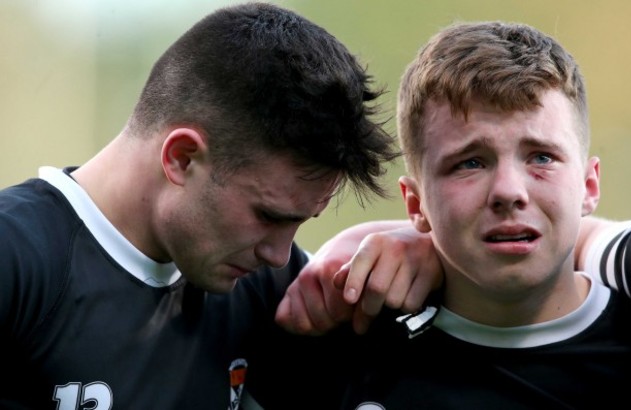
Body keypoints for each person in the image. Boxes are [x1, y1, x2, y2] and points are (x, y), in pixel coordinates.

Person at [0, 3, 415, 409]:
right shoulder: (18, 260)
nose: (278, 256)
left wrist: (418, 248)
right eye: (268, 216)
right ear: (182, 157)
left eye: (301, 222)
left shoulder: (266, 290)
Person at [289, 20, 631, 409]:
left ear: (589, 185)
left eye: (542, 157)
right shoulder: (337, 350)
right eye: (470, 163)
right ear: (415, 205)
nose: (509, 191)